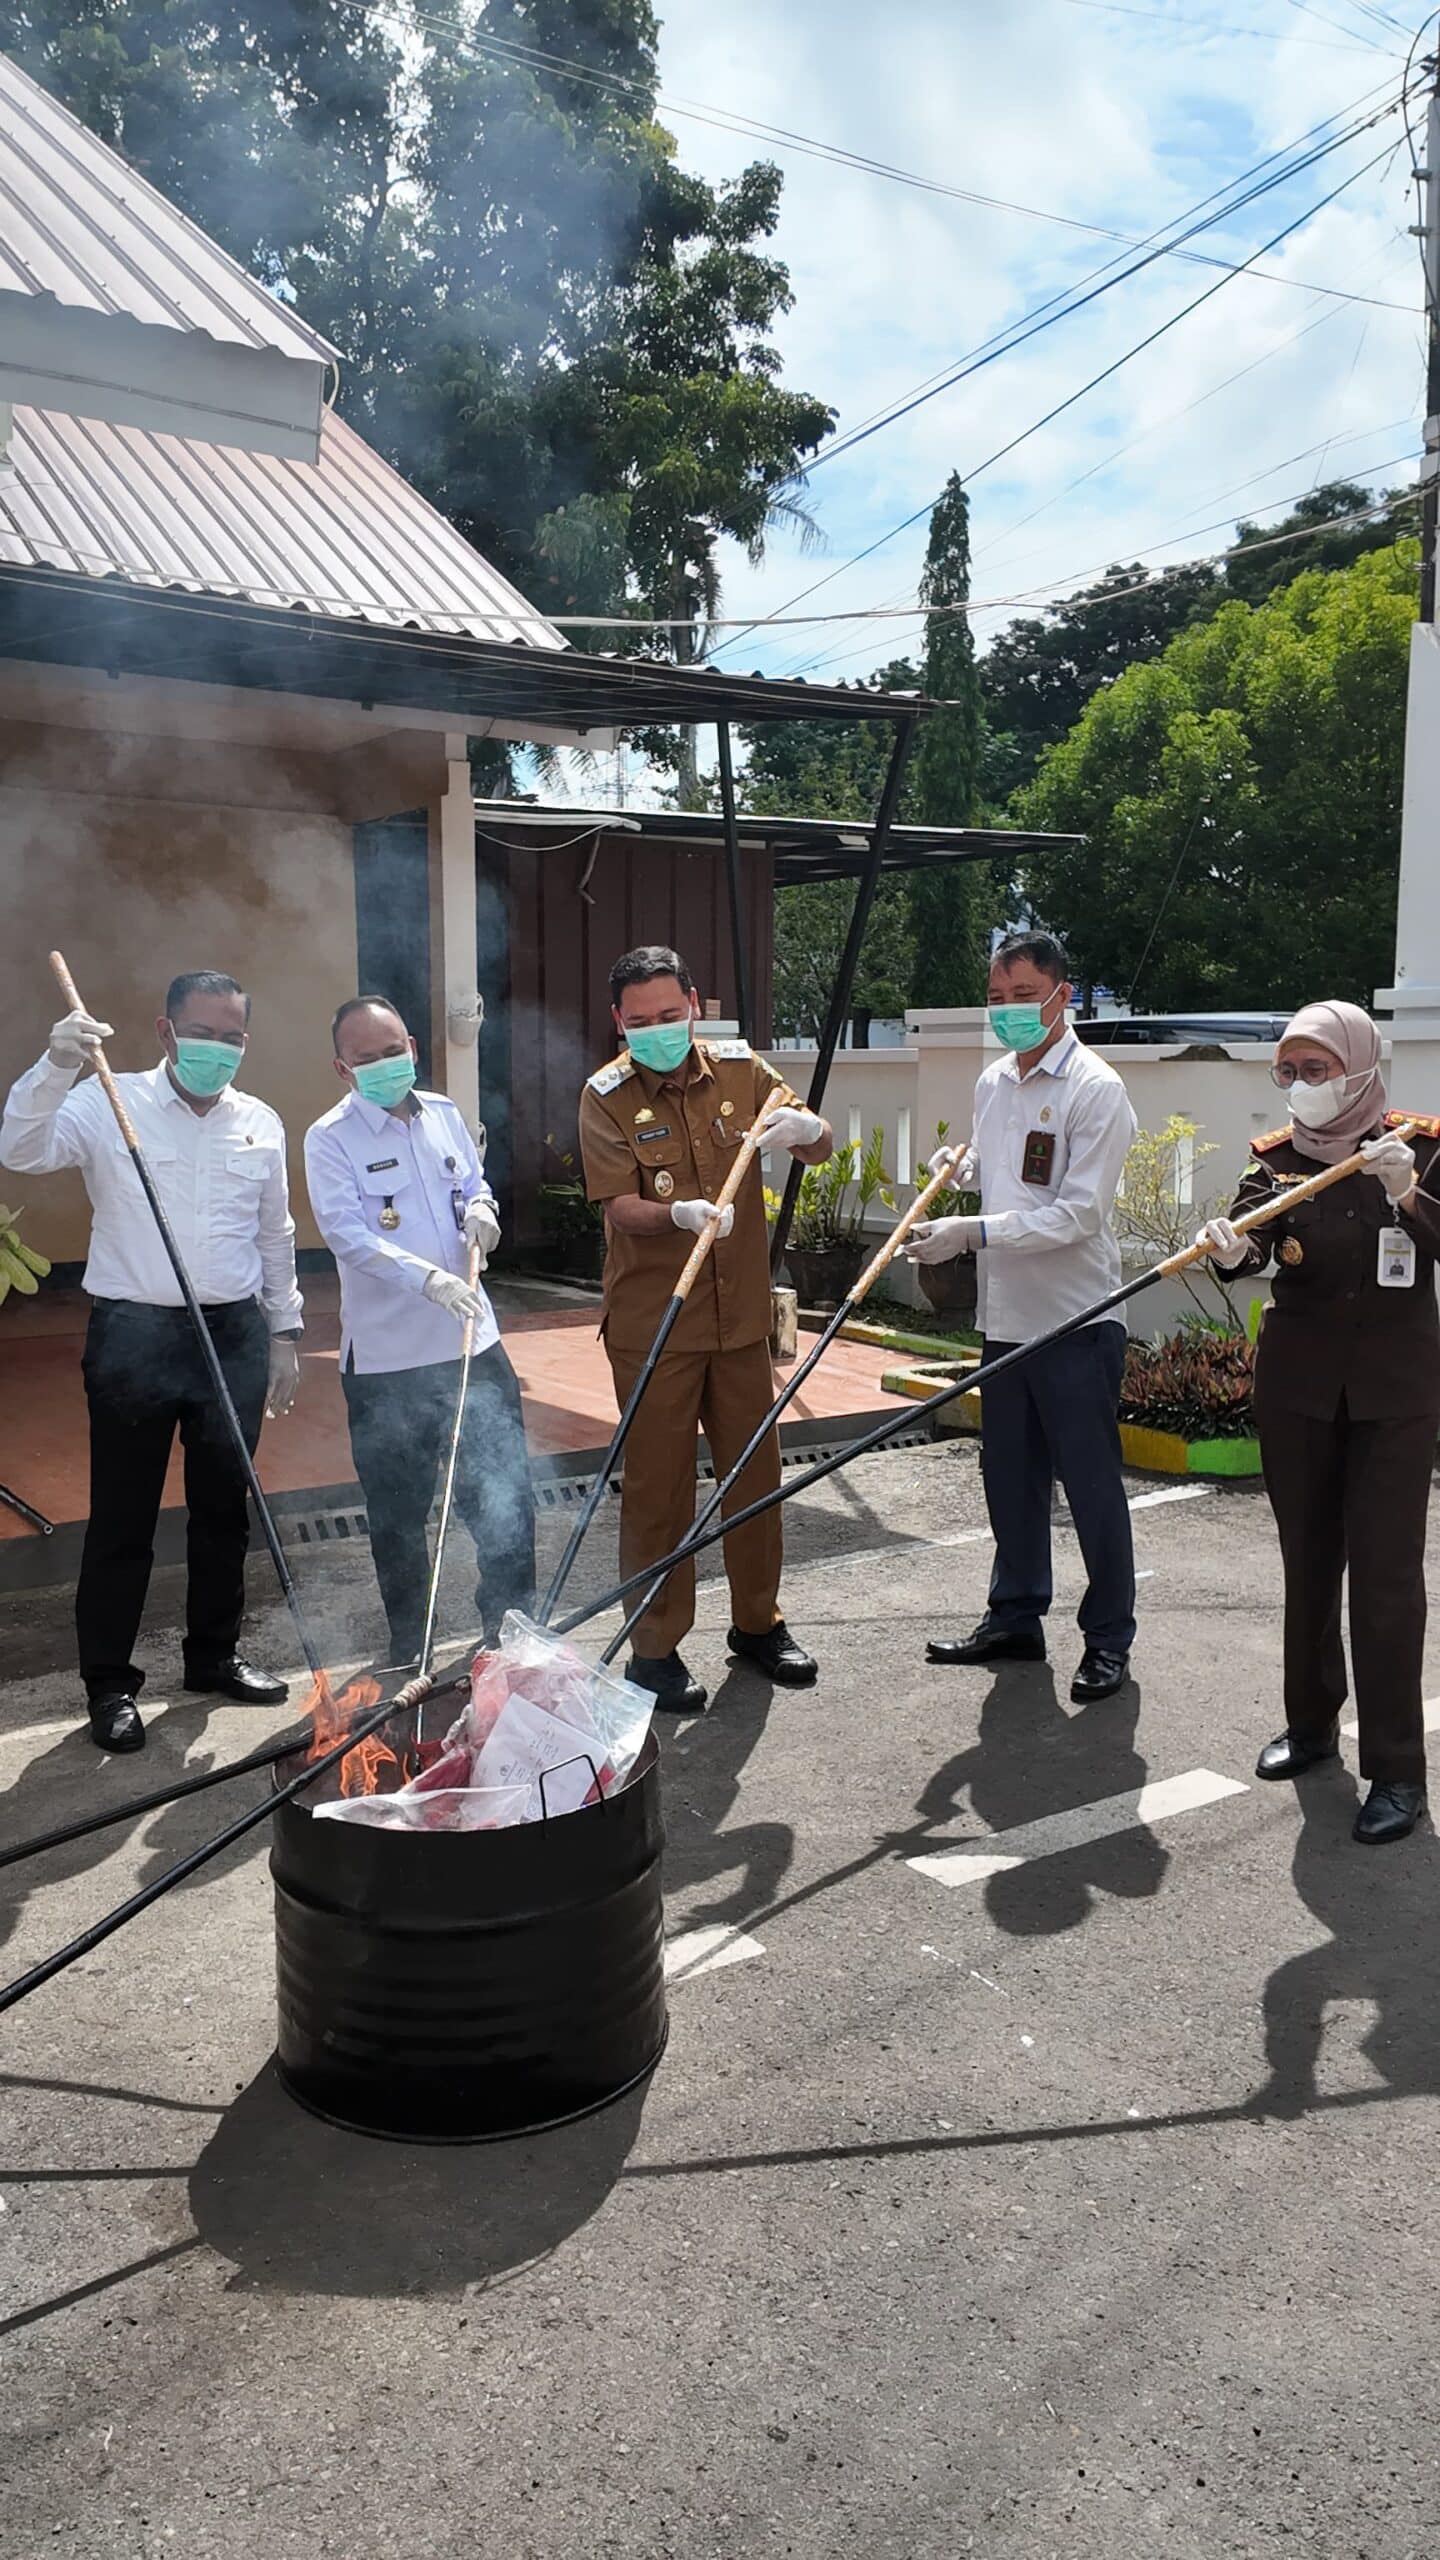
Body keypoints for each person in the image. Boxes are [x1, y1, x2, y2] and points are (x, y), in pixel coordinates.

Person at [0, 972, 303, 1753]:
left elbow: (275, 1233)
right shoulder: (108, 1097)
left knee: (222, 1511)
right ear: (166, 1032)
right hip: (135, 1333)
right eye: (204, 1032)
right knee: (124, 1520)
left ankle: (213, 1656)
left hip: (231, 1333)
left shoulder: (259, 1121)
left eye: (234, 1036)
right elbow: (21, 1148)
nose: (219, 1048)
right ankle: (108, 1683)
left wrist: (284, 1333)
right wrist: (56, 1063)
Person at [1198, 1000, 1440, 1846]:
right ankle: (1310, 1728)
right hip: (1299, 1393)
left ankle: (1398, 1771)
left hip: (1393, 1401)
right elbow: (1254, 1248)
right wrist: (1230, 1249)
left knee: (1384, 1581)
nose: (1301, 1087)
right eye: (1289, 1072)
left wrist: (1408, 1192)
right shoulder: (1277, 1162)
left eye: (1317, 1069)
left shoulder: (1423, 1149)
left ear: (1363, 1066)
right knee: (1308, 1564)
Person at [577, 945, 833, 1713]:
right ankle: (653, 1651)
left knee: (755, 1480)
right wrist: (679, 1216)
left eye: (669, 1014)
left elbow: (817, 1146)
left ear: (693, 1003)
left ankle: (758, 1624)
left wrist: (804, 1128)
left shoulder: (741, 1071)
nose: (657, 1029)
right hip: (656, 1326)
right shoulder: (606, 1096)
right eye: (640, 1021)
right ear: (618, 1022)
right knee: (658, 1493)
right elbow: (619, 1206)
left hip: (740, 1321)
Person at [905, 929, 1138, 1702]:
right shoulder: (995, 1082)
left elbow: (1075, 1214)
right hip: (1005, 1317)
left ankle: (1108, 1638)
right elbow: (1005, 1172)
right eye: (997, 998)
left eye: (1023, 997)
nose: (1007, 1012)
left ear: (1061, 997)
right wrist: (961, 1170)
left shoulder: (1096, 1091)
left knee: (1092, 1485)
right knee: (1009, 1476)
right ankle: (1016, 1615)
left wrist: (971, 1233)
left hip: (1075, 1319)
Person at [304, 996, 534, 1667]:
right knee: (401, 1519)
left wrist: (484, 1212)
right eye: (366, 1057)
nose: (384, 1065)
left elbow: (473, 1183)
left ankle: (511, 1631)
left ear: (411, 1044)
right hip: (387, 1361)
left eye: (393, 1049)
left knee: (502, 1498)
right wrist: (428, 1279)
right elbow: (345, 1233)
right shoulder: (330, 1137)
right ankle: (412, 1644)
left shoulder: (442, 1113)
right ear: (342, 1068)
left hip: (472, 1345)